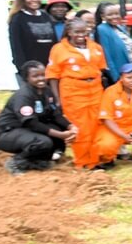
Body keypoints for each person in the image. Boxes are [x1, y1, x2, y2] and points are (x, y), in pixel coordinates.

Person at [46, 19, 107, 169]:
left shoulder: (96, 47)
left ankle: (96, 159)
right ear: (69, 32)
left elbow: (102, 69)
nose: (81, 35)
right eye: (77, 32)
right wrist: (57, 98)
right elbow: (53, 75)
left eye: (84, 31)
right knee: (79, 126)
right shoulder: (59, 49)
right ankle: (82, 161)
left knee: (96, 124)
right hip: (73, 90)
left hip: (95, 88)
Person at [0, 62, 74, 174]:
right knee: (43, 142)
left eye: (43, 75)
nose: (41, 79)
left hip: (25, 131)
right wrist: (60, 135)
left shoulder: (47, 91)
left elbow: (56, 114)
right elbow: (31, 123)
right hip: (7, 133)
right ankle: (16, 162)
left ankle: (38, 161)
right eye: (35, 76)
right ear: (27, 78)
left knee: (57, 130)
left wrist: (71, 126)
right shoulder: (23, 96)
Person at [8, 0, 58, 80]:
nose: (34, 0)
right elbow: (16, 48)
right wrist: (24, 70)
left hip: (49, 69)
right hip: (31, 71)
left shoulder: (46, 16)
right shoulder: (18, 19)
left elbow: (54, 43)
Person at [94, 3, 132, 82]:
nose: (114, 17)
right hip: (122, 75)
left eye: (116, 14)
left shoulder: (119, 27)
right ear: (103, 16)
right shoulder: (102, 29)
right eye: (110, 14)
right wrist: (116, 77)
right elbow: (107, 55)